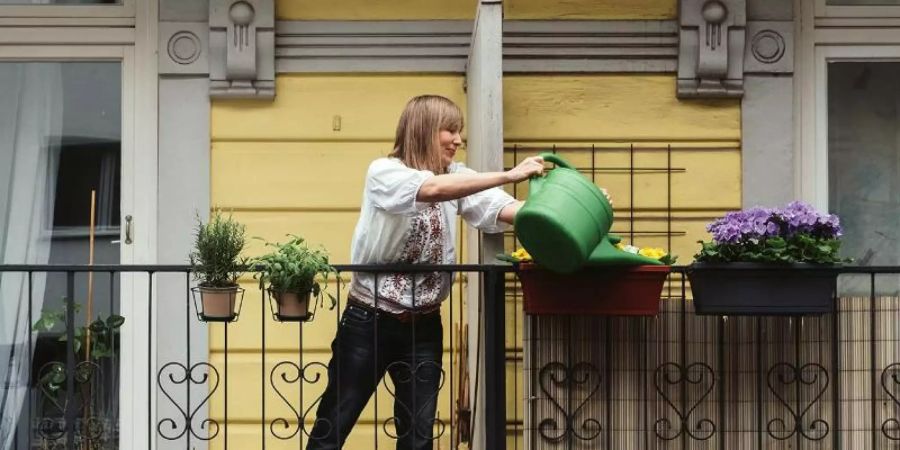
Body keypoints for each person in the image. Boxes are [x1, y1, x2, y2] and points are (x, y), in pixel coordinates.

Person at [306, 95, 544, 450]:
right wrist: (510, 174)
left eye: (459, 131)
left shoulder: (458, 177)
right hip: (368, 321)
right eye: (450, 130)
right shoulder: (384, 172)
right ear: (423, 130)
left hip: (425, 326)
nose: (458, 140)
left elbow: (506, 209)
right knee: (333, 427)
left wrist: (575, 208)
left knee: (418, 438)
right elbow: (428, 190)